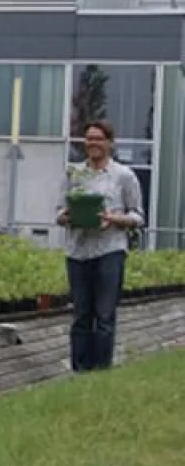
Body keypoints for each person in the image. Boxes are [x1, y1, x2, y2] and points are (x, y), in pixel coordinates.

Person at [56, 120, 144, 372]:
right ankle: (79, 370)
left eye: (98, 138)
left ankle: (102, 371)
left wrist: (114, 219)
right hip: (78, 252)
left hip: (110, 250)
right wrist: (69, 216)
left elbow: (138, 216)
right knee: (81, 315)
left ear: (109, 143)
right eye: (89, 138)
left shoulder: (124, 176)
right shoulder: (73, 173)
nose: (92, 143)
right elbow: (58, 213)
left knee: (105, 315)